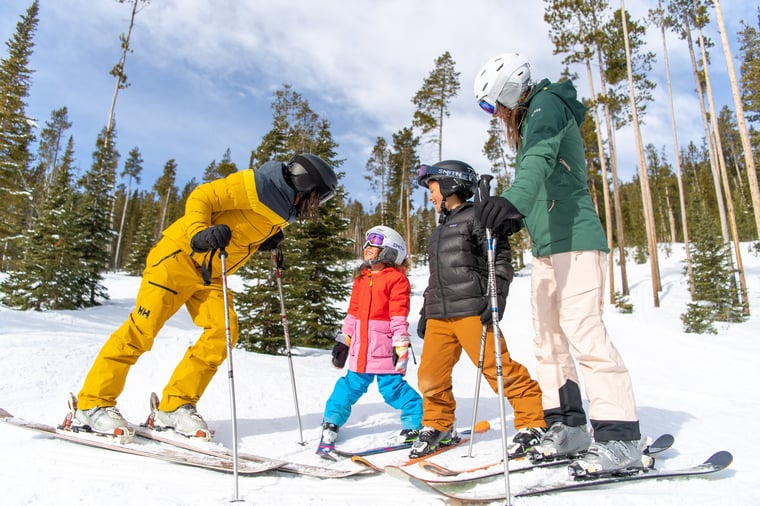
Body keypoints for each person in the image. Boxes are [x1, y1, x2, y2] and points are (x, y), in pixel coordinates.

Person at [70, 153, 338, 442]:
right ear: (303, 182)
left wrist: (263, 241)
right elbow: (203, 196)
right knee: (141, 331)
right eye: (316, 197)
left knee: (224, 331)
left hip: (210, 274)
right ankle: (91, 404)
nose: (315, 205)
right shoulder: (256, 185)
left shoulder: (283, 209)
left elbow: (238, 227)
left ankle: (174, 406)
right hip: (178, 259)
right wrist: (199, 232)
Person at [473, 53, 643, 475]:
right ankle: (567, 426)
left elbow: (541, 161)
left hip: (576, 240)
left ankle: (621, 438)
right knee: (548, 340)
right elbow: (546, 176)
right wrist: (517, 219)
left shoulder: (547, 105)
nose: (496, 116)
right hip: (548, 247)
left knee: (584, 333)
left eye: (494, 105)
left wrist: (513, 200)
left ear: (511, 91)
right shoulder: (530, 120)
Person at [411, 160, 546, 459]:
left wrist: (496, 296)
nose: (431, 197)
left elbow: (500, 260)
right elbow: (436, 277)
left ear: (449, 186)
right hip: (438, 315)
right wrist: (424, 312)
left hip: (471, 308)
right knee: (430, 376)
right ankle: (438, 423)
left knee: (497, 368)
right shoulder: (438, 231)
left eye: (432, 189)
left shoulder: (477, 217)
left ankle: (533, 419)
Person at [318, 226, 422, 456]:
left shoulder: (397, 280)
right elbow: (353, 313)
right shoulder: (361, 279)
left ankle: (416, 423)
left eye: (374, 242)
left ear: (390, 249)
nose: (368, 247)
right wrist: (344, 340)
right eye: (367, 242)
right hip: (360, 348)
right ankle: (331, 422)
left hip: (384, 347)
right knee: (347, 387)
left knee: (393, 390)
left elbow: (398, 315)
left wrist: (400, 344)